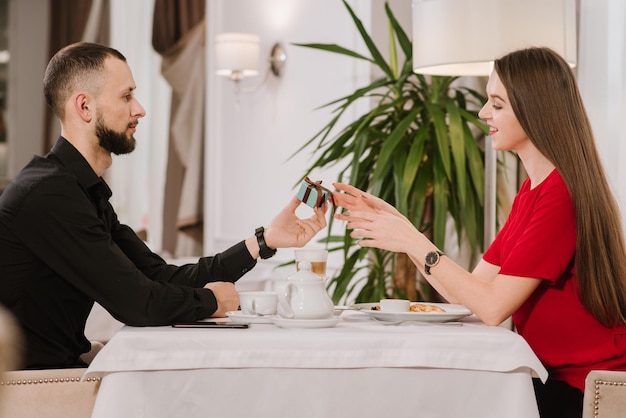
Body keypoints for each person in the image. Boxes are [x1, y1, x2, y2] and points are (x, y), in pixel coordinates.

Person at [331, 47, 626, 418]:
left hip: (586, 388)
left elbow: (490, 308)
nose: (484, 113)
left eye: (497, 104)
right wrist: (403, 230)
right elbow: (472, 291)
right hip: (555, 379)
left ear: (535, 110)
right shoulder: (532, 191)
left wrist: (411, 240)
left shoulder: (560, 195)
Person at [0, 42, 327, 370]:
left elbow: (161, 277)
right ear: (84, 106)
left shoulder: (77, 190)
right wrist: (214, 301)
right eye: (126, 96)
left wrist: (263, 241)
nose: (139, 109)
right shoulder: (49, 193)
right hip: (35, 388)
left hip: (63, 371)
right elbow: (137, 303)